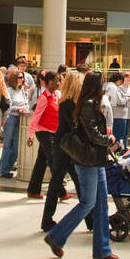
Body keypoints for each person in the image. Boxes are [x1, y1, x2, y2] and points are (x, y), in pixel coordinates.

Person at [41, 71, 118, 259]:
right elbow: (92, 134)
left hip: (95, 159)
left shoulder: (89, 102)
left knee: (101, 204)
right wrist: (109, 139)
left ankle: (102, 249)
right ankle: (56, 236)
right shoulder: (88, 104)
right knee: (88, 202)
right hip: (88, 160)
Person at [40, 71, 83, 232]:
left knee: (76, 182)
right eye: (80, 82)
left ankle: (91, 219)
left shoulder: (70, 102)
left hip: (67, 148)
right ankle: (46, 220)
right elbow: (74, 126)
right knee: (58, 182)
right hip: (64, 149)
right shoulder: (67, 104)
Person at [25, 71, 61, 199]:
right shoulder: (43, 98)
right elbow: (35, 118)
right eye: (57, 80)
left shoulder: (56, 95)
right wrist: (30, 135)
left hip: (52, 132)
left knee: (42, 161)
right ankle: (61, 192)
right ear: (50, 82)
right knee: (53, 161)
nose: (59, 83)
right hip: (44, 133)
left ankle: (33, 190)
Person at [0, 67, 29, 177]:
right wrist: (18, 108)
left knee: (16, 146)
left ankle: (7, 165)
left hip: (20, 118)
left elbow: (26, 103)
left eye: (23, 77)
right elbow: (7, 106)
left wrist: (25, 109)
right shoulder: (9, 90)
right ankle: (4, 169)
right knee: (7, 144)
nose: (22, 79)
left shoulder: (22, 91)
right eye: (20, 77)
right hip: (10, 118)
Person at [106, 71, 130, 147]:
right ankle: (117, 151)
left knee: (118, 134)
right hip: (118, 115)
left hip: (116, 114)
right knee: (119, 136)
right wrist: (127, 98)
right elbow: (120, 101)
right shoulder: (114, 88)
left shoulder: (110, 86)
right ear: (118, 80)